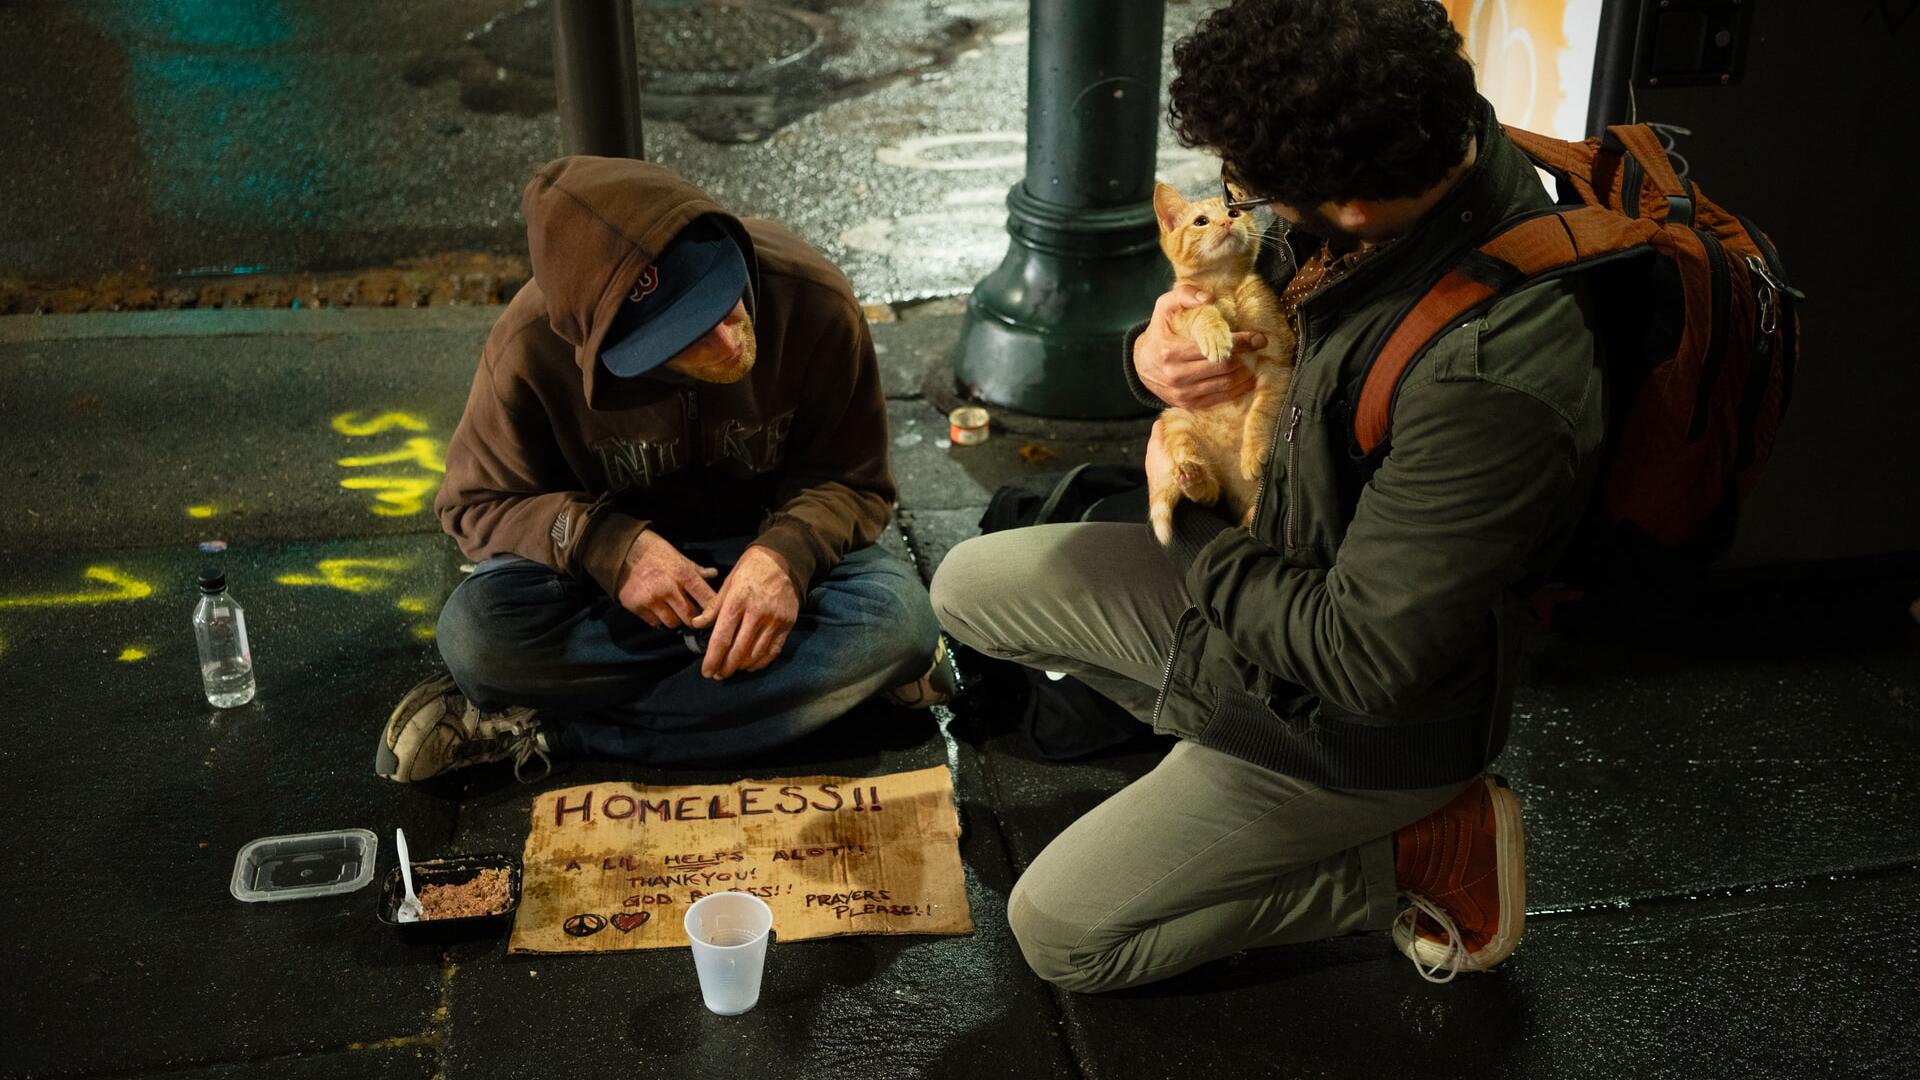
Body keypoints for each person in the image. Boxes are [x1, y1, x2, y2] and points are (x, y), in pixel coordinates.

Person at [932, 0, 1604, 989]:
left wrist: (1185, 523)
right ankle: (1215, 767)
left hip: (1358, 722)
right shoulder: (1399, 166)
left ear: (1352, 207)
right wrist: (1154, 359)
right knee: (967, 588)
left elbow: (1360, 658)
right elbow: (1234, 318)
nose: (1240, 208)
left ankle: (1411, 855)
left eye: (1255, 194)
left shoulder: (1489, 378)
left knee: (1064, 937)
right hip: (1271, 571)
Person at [376, 156, 946, 785]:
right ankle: (816, 699)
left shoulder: (813, 295)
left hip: (770, 555)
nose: (731, 344)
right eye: (689, 337)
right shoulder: (531, 346)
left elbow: (852, 479)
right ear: (612, 350)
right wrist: (605, 545)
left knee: (901, 623)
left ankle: (550, 731)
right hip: (608, 595)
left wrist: (786, 556)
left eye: (725, 303)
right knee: (478, 638)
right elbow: (473, 505)